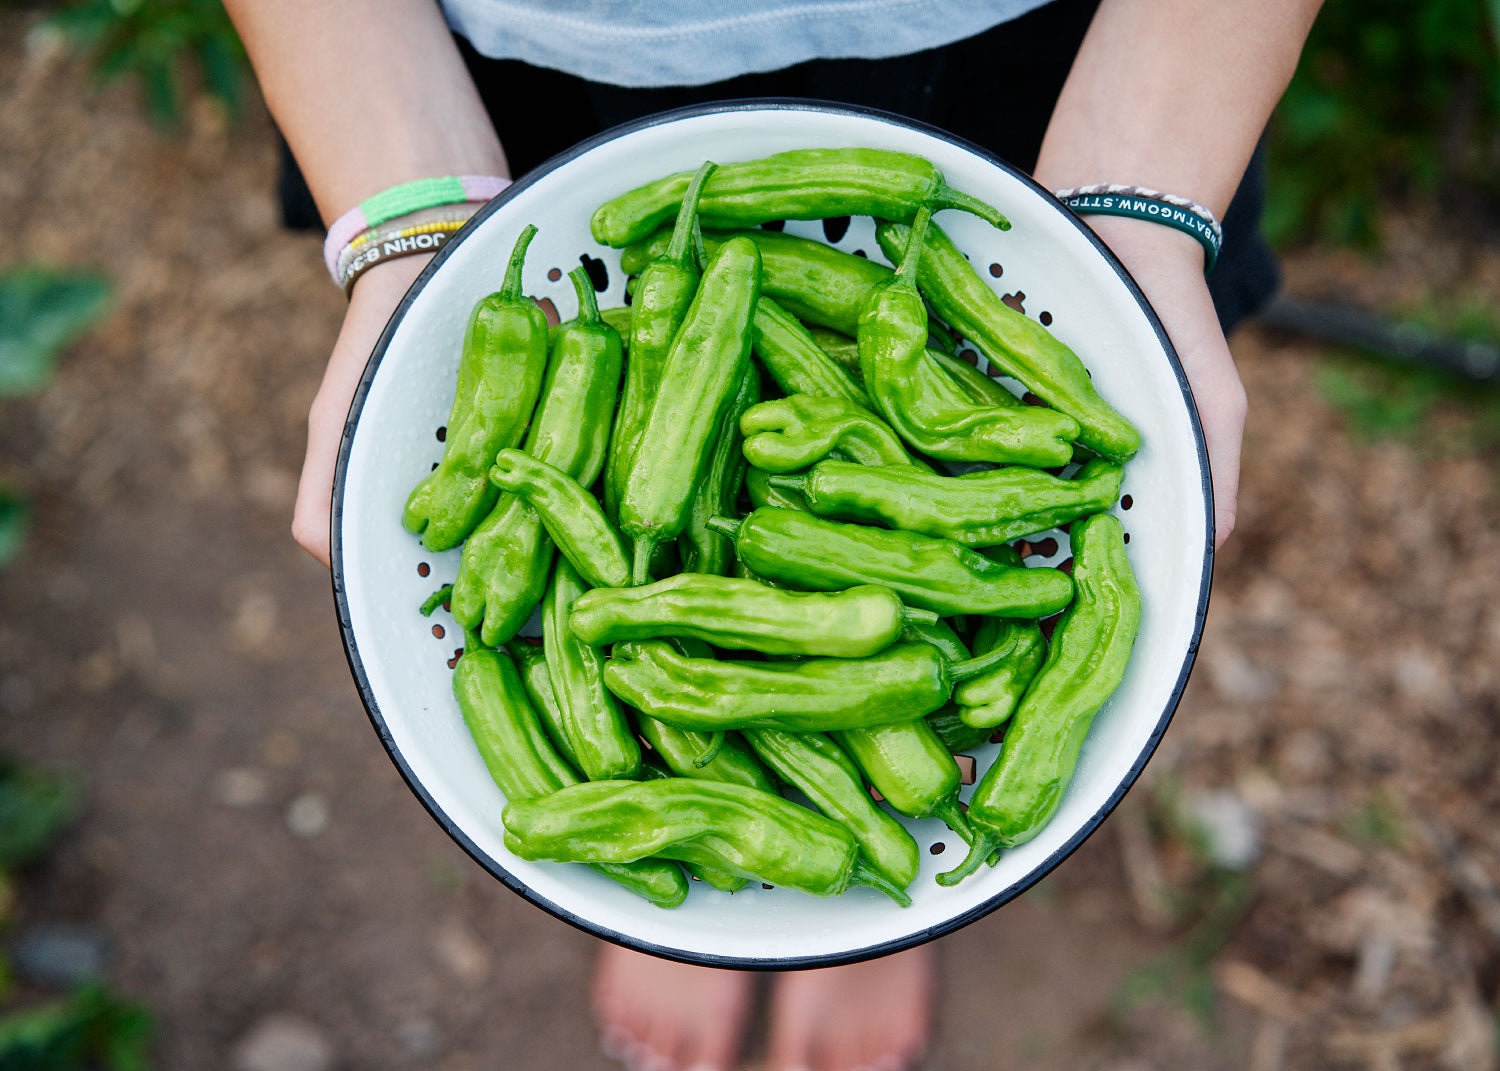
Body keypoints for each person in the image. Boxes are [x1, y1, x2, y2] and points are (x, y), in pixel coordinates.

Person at [223, 1, 1322, 1067]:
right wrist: (407, 209)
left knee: (806, 656)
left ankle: (829, 912)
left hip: (1055, 62)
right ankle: (733, 881)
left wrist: (1146, 199)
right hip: (507, 74)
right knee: (754, 650)